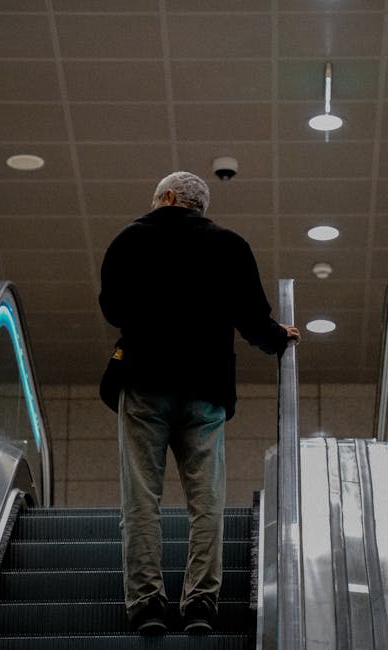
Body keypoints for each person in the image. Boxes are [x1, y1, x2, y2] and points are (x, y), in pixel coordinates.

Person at [99, 171, 300, 636]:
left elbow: (112, 309)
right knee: (206, 499)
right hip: (205, 389)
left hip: (144, 380)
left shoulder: (130, 238)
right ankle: (201, 605)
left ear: (168, 197)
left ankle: (147, 603)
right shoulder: (229, 244)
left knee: (141, 498)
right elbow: (254, 319)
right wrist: (278, 338)